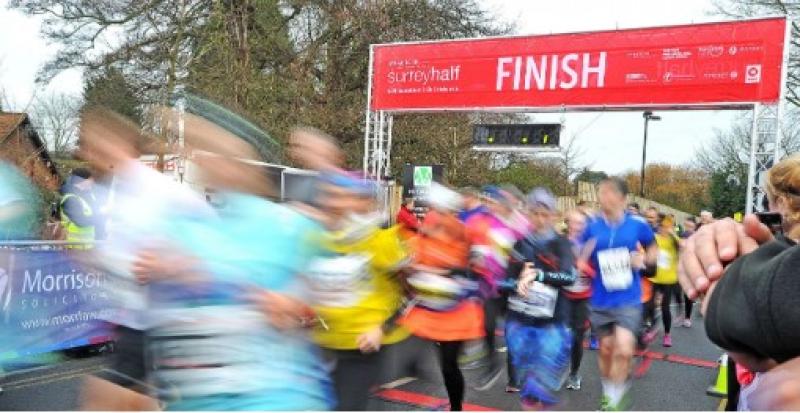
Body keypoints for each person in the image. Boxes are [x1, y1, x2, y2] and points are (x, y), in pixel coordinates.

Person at [142, 117, 334, 411]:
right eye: (204, 153)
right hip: (197, 399)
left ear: (249, 165)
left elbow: (323, 300)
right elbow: (154, 293)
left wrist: (294, 308)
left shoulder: (288, 225)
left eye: (228, 156)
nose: (216, 164)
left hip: (275, 396)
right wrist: (155, 272)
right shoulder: (182, 227)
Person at [308, 173, 410, 410]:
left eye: (346, 198)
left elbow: (410, 294)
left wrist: (380, 328)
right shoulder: (315, 239)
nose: (335, 204)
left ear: (365, 203)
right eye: (330, 196)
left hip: (361, 346)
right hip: (321, 342)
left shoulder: (382, 240)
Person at [399, 183, 484, 411]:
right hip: (429, 307)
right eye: (432, 210)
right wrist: (408, 268)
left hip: (457, 310)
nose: (434, 217)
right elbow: (413, 260)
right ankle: (415, 364)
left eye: (443, 211)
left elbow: (475, 269)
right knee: (412, 338)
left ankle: (456, 408)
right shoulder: (425, 232)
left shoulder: (464, 232)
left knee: (449, 366)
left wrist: (446, 272)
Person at [580, 178, 658, 411]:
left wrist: (643, 259)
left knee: (623, 350)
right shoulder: (592, 227)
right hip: (601, 299)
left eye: (610, 193)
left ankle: (613, 401)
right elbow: (580, 257)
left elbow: (653, 249)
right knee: (605, 350)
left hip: (628, 299)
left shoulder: (637, 225)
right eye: (602, 193)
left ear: (622, 199)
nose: (604, 198)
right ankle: (609, 390)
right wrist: (582, 259)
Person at [503, 187, 576, 409]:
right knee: (528, 384)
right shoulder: (520, 244)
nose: (540, 219)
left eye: (545, 214)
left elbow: (568, 276)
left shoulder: (561, 244)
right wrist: (516, 283)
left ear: (553, 216)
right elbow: (505, 280)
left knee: (539, 383)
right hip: (522, 320)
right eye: (535, 213)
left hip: (552, 321)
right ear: (528, 214)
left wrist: (539, 275)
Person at [465, 185, 521, 391]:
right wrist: (475, 260)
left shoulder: (518, 226)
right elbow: (474, 250)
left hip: (514, 287)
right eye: (486, 202)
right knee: (487, 326)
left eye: (493, 202)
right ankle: (492, 364)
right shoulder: (481, 223)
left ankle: (515, 378)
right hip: (490, 287)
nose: (489, 205)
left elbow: (524, 253)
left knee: (513, 332)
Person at [563, 209, 593, 390]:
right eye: (573, 223)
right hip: (563, 296)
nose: (576, 227)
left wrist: (585, 269)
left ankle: (574, 373)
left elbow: (600, 275)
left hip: (583, 298)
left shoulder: (592, 246)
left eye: (581, 224)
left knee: (577, 337)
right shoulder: (561, 243)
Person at [648, 214, 681, 347]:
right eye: (662, 226)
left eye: (668, 227)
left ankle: (667, 334)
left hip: (668, 279)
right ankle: (653, 327)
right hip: (654, 277)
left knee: (665, 307)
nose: (664, 229)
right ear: (659, 227)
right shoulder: (654, 238)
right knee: (649, 305)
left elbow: (683, 245)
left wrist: (672, 234)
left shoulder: (674, 240)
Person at [60, 168, 97, 248]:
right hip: (73, 248)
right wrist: (101, 216)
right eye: (90, 180)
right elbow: (81, 221)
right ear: (83, 180)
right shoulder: (71, 199)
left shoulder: (83, 196)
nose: (92, 182)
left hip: (85, 247)